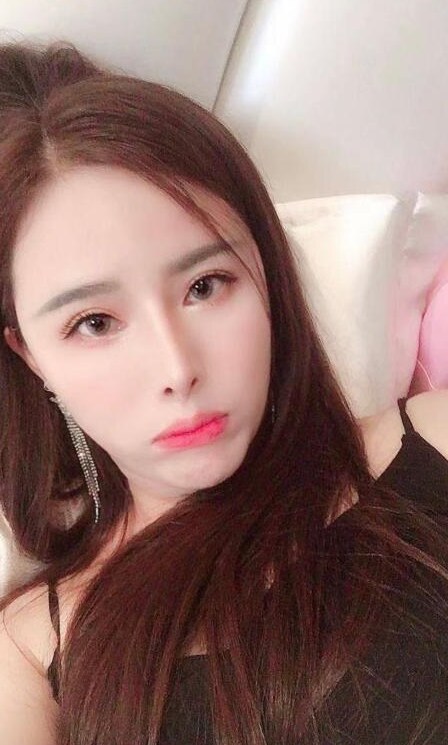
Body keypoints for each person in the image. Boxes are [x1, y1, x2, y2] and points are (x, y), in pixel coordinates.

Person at [0, 39, 447, 745]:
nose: (177, 367)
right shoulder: (29, 652)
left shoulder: (435, 440)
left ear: (267, 273)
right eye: (94, 323)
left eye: (206, 286)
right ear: (31, 357)